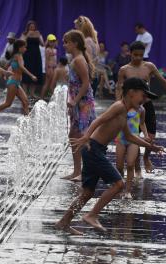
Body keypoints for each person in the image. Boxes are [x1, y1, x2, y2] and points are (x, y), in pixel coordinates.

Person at [55, 77, 164, 234]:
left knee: (87, 192)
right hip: (93, 149)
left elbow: (130, 136)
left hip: (95, 149)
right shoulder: (119, 106)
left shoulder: (124, 112)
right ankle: (92, 215)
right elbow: (99, 119)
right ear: (131, 93)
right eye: (143, 95)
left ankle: (64, 222)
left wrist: (151, 147)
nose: (144, 100)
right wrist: (87, 136)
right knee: (119, 184)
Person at [116, 41, 166, 173]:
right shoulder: (124, 70)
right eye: (135, 55)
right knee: (135, 136)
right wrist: (118, 105)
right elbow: (119, 88)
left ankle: (146, 157)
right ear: (130, 54)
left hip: (147, 105)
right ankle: (137, 167)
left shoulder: (149, 66)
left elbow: (164, 82)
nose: (138, 58)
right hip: (130, 108)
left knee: (150, 136)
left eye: (141, 55)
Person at [61, 30, 96, 182]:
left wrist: (75, 101)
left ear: (75, 43)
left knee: (83, 136)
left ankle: (85, 171)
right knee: (74, 136)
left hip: (83, 104)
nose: (64, 45)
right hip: (78, 103)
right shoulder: (75, 59)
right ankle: (77, 171)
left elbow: (86, 83)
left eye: (66, 42)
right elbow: (73, 85)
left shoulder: (79, 60)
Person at [0, 40, 37, 124]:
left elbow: (7, 65)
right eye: (24, 47)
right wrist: (31, 75)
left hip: (15, 82)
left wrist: (5, 74)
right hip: (13, 82)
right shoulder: (18, 56)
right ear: (20, 48)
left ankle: (27, 123)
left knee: (25, 101)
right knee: (8, 103)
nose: (26, 49)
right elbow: (21, 67)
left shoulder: (15, 56)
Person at [115, 105, 149, 199]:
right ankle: (120, 187)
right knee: (119, 166)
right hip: (120, 139)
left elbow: (142, 123)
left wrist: (146, 135)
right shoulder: (120, 106)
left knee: (130, 164)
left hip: (134, 139)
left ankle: (128, 191)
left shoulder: (141, 109)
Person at [74, 16, 100, 96]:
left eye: (76, 29)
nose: (75, 31)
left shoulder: (87, 41)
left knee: (83, 106)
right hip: (93, 77)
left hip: (87, 79)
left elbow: (87, 62)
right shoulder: (94, 42)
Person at [20, 20, 44, 99]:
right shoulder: (24, 34)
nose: (32, 28)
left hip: (36, 55)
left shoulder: (38, 33)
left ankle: (32, 93)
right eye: (30, 27)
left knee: (35, 71)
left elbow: (42, 44)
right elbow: (21, 42)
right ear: (28, 27)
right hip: (27, 55)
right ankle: (25, 92)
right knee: (27, 72)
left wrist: (39, 36)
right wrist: (28, 35)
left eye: (33, 27)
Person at [40, 34, 57, 100]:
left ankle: (52, 97)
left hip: (54, 67)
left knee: (52, 84)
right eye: (51, 41)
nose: (52, 43)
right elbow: (46, 60)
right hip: (50, 67)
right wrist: (46, 69)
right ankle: (42, 97)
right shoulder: (48, 50)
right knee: (47, 83)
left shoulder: (54, 49)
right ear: (48, 42)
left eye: (53, 41)